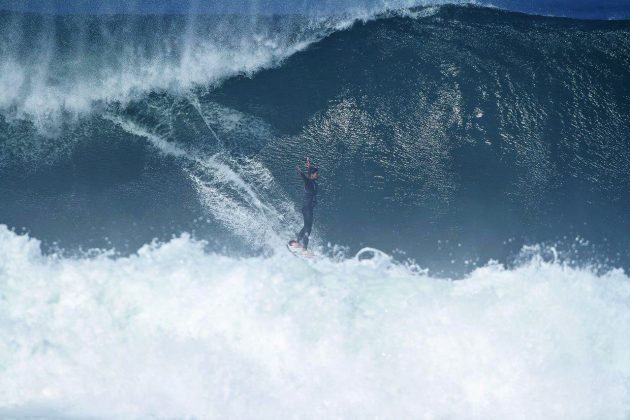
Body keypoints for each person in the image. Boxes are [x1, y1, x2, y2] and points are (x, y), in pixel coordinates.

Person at [295, 157, 319, 250]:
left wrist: (309, 165)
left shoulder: (312, 181)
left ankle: (297, 241)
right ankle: (304, 248)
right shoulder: (308, 182)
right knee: (308, 229)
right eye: (316, 173)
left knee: (306, 226)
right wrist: (300, 171)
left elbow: (308, 175)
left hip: (309, 208)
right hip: (307, 208)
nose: (318, 175)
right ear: (313, 175)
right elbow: (304, 178)